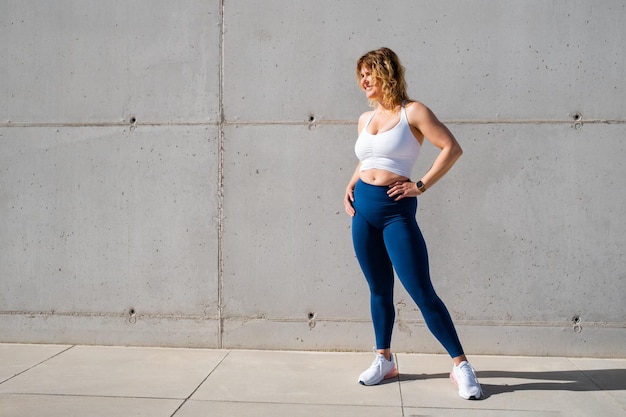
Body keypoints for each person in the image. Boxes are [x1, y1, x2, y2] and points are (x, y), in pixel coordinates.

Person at [343, 47, 483, 400]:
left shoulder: (413, 112)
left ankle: (461, 365)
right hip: (363, 213)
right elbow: (368, 158)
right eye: (360, 75)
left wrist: (419, 185)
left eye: (368, 74)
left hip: (395, 213)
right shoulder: (365, 118)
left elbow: (451, 148)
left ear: (385, 72)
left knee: (421, 291)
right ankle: (384, 359)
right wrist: (350, 183)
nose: (363, 81)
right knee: (378, 290)